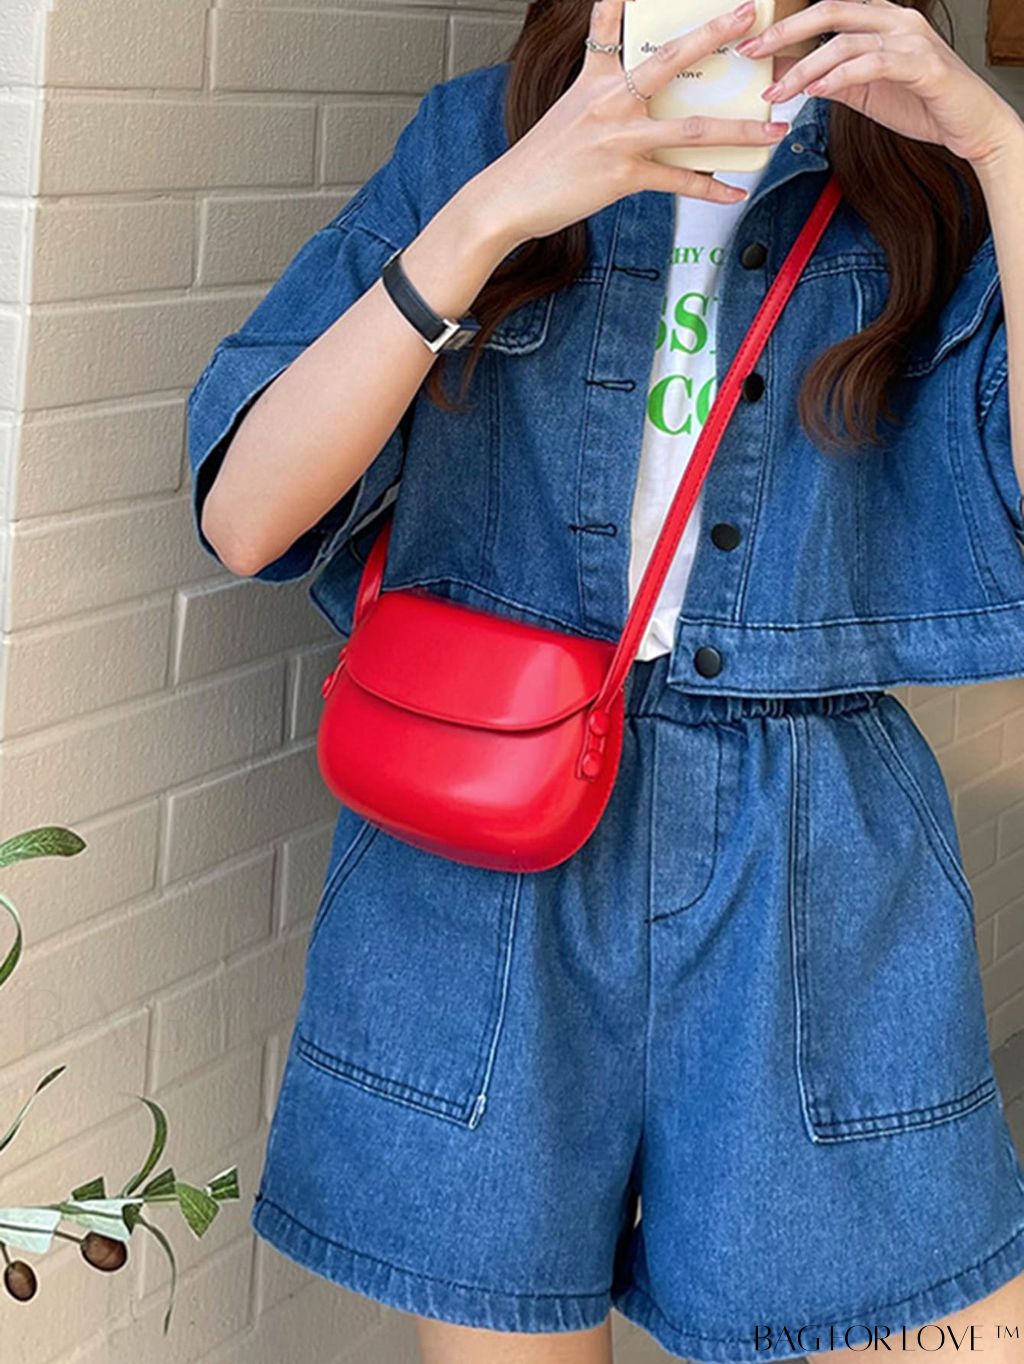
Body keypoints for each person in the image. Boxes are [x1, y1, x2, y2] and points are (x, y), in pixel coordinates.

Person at [185, 1, 1024, 1359]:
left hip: (809, 845)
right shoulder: (481, 136)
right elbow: (248, 519)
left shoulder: (922, 177)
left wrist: (999, 151)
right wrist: (494, 212)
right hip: (488, 838)